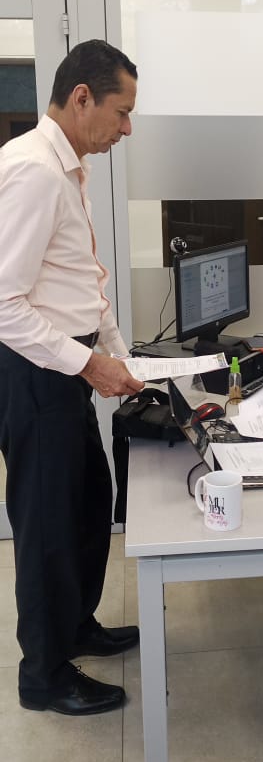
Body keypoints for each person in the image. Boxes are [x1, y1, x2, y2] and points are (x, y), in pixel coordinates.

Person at [0, 39, 146, 715]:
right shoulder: (33, 170)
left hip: (66, 367)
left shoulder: (68, 168)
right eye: (122, 111)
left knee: (88, 503)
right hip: (37, 374)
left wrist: (119, 355)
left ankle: (76, 625)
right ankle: (45, 675)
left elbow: (81, 282)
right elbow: (4, 304)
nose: (127, 128)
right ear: (82, 97)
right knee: (47, 526)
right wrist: (89, 363)